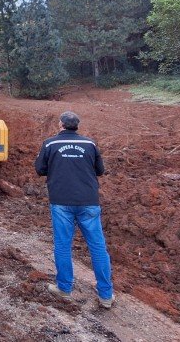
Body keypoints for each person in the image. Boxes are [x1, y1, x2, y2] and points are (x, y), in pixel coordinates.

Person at [34, 111, 114, 308]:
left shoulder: (50, 144)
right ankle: (106, 295)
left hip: (61, 201)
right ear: (77, 126)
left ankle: (64, 289)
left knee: (63, 245)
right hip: (89, 201)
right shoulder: (90, 144)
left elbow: (40, 169)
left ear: (61, 125)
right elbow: (100, 171)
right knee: (97, 247)